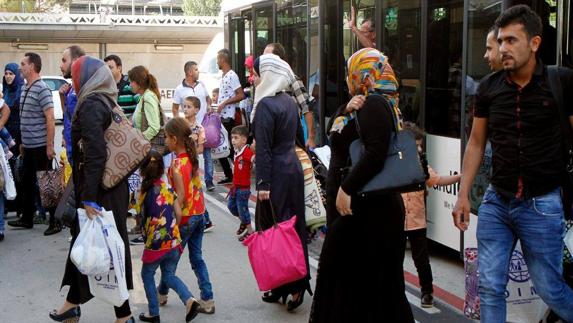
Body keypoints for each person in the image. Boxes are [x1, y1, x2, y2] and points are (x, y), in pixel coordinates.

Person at [451, 5, 573, 322]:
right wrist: (463, 195)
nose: (503, 49)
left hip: (543, 204)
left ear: (534, 43)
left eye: (511, 40)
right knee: (490, 286)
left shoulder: (561, 82)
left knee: (550, 289)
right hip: (496, 202)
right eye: (500, 41)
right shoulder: (488, 88)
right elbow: (476, 143)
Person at [309, 48, 414, 322]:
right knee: (371, 287)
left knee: (364, 286)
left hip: (367, 213)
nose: (347, 78)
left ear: (363, 74)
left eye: (351, 71)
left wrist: (346, 189)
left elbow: (375, 154)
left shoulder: (375, 105)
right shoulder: (364, 103)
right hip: (366, 211)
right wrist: (346, 108)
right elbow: (339, 134)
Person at [50, 56, 135, 323]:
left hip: (100, 190)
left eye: (75, 74)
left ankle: (124, 315)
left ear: (84, 78)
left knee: (106, 249)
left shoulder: (90, 104)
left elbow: (95, 153)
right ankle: (71, 305)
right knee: (85, 244)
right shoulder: (104, 99)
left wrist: (88, 198)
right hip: (108, 186)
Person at [251, 53, 311, 312]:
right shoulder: (288, 101)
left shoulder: (265, 105)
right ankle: (293, 285)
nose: (253, 79)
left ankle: (286, 285)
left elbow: (263, 149)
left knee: (271, 227)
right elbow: (298, 136)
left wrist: (262, 184)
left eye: (256, 74)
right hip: (292, 169)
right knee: (294, 228)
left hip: (274, 173)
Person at [401, 122, 461, 308]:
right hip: (397, 220)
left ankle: (427, 292)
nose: (419, 149)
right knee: (394, 258)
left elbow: (438, 179)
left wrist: (461, 177)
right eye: (416, 145)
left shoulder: (422, 164)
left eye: (421, 145)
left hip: (417, 220)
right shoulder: (394, 165)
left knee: (421, 259)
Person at [159, 117, 215, 315]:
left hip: (186, 218)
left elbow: (180, 198)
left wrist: (175, 221)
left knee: (169, 259)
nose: (165, 141)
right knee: (197, 258)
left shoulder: (176, 165)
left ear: (174, 139)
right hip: (200, 214)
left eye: (166, 137)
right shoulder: (191, 158)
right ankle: (207, 298)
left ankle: (163, 293)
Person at [137, 150, 200, 323]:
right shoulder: (167, 189)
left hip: (155, 244)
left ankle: (153, 313)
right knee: (169, 275)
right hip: (173, 240)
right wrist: (172, 229)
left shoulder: (142, 192)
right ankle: (189, 300)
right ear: (161, 170)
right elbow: (178, 214)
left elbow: (140, 218)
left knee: (147, 274)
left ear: (142, 171)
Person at [7, 52, 60, 236]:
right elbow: (24, 118)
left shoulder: (42, 88)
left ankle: (55, 221)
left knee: (46, 185)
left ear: (32, 67)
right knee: (27, 183)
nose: (20, 67)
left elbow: (50, 118)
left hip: (40, 146)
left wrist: (50, 145)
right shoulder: (24, 88)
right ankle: (27, 218)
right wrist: (22, 143)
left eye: (23, 64)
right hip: (28, 146)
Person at [128, 65, 164, 245]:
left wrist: (139, 140)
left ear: (137, 82)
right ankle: (143, 228)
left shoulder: (148, 97)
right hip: (145, 151)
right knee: (143, 191)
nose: (129, 85)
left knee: (148, 192)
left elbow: (155, 127)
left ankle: (147, 231)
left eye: (130, 81)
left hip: (149, 152)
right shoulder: (145, 96)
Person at [263, 43, 316, 149]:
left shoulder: (292, 79)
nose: (263, 60)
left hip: (291, 137)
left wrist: (311, 138)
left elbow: (306, 108)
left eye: (267, 57)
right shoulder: (265, 81)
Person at [172, 61, 215, 191]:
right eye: (196, 69)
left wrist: (208, 105)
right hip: (188, 127)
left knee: (207, 154)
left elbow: (208, 98)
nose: (198, 72)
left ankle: (209, 181)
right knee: (189, 154)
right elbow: (175, 109)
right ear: (189, 72)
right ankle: (188, 179)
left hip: (204, 125)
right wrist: (178, 124)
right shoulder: (179, 89)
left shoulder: (201, 84)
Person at [182, 96, 215, 232]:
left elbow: (201, 149)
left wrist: (189, 149)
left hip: (192, 163)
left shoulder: (199, 128)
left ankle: (205, 219)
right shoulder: (180, 124)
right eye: (184, 106)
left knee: (195, 191)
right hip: (180, 161)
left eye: (189, 107)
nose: (185, 109)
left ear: (196, 110)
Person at [215, 49, 245, 184]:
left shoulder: (232, 75)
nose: (217, 61)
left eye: (218, 59)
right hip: (222, 115)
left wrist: (224, 103)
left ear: (222, 59)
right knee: (220, 145)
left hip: (228, 117)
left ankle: (240, 173)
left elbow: (241, 94)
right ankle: (230, 175)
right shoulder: (224, 76)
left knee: (228, 146)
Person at [3, 62, 24, 218]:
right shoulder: (3, 91)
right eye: (6, 73)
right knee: (5, 170)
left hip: (17, 135)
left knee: (17, 170)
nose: (8, 76)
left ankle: (20, 206)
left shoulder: (21, 90)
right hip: (4, 134)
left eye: (11, 73)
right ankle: (7, 205)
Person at [227, 125, 254, 242]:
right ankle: (244, 222)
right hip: (235, 187)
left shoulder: (247, 151)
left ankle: (250, 232)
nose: (233, 140)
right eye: (232, 138)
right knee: (231, 207)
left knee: (243, 210)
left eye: (236, 138)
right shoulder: (237, 151)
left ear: (244, 140)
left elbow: (253, 159)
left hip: (243, 189)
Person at [59, 45, 85, 166]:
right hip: (72, 153)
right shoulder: (71, 88)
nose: (61, 65)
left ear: (75, 62)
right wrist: (62, 97)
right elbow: (69, 116)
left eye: (64, 61)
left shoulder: (84, 88)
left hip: (81, 156)